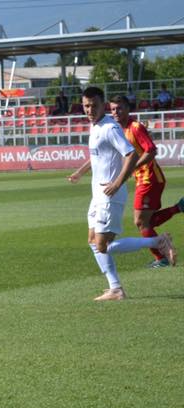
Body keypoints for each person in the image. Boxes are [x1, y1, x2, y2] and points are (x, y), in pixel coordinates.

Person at [68, 87, 176, 300]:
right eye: (86, 105)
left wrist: (118, 183)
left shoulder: (110, 128)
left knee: (102, 245)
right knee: (92, 241)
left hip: (110, 194)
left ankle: (157, 242)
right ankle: (115, 288)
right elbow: (98, 155)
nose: (89, 110)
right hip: (98, 194)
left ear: (103, 105)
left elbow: (130, 155)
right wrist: (80, 172)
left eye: (94, 105)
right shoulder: (95, 126)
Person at [109, 94, 183, 268]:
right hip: (144, 179)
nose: (116, 112)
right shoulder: (119, 129)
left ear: (128, 109)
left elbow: (151, 151)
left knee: (141, 222)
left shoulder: (135, 127)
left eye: (119, 108)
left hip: (149, 178)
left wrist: (132, 166)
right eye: (113, 109)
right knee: (146, 222)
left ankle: (161, 257)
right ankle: (179, 207)